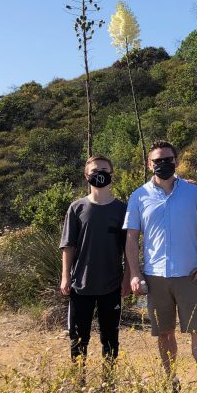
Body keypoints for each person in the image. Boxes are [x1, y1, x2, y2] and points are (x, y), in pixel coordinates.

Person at [124, 140, 197, 393]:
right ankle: (171, 382)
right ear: (149, 164)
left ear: (176, 161)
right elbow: (132, 238)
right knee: (164, 333)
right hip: (156, 277)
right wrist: (134, 273)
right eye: (157, 161)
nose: (163, 164)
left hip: (190, 274)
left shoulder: (193, 192)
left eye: (168, 160)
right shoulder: (138, 196)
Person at [59, 155, 130, 374]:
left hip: (112, 285)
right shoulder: (77, 208)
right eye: (94, 170)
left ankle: (109, 380)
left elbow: (129, 248)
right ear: (86, 176)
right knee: (79, 338)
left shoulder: (123, 209)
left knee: (110, 337)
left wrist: (128, 277)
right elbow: (68, 245)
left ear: (112, 174)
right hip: (81, 284)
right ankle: (79, 381)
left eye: (104, 169)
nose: (99, 173)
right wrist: (65, 276)